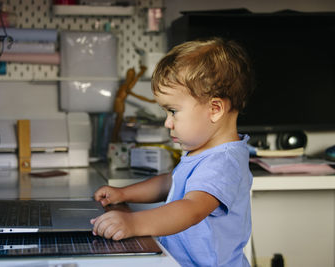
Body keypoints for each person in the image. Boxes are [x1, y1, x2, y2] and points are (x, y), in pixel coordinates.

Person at [91, 37, 255, 267]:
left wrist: (133, 223)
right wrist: (124, 194)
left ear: (215, 109)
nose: (168, 123)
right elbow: (170, 182)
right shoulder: (202, 152)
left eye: (173, 111)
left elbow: (191, 209)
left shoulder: (223, 162)